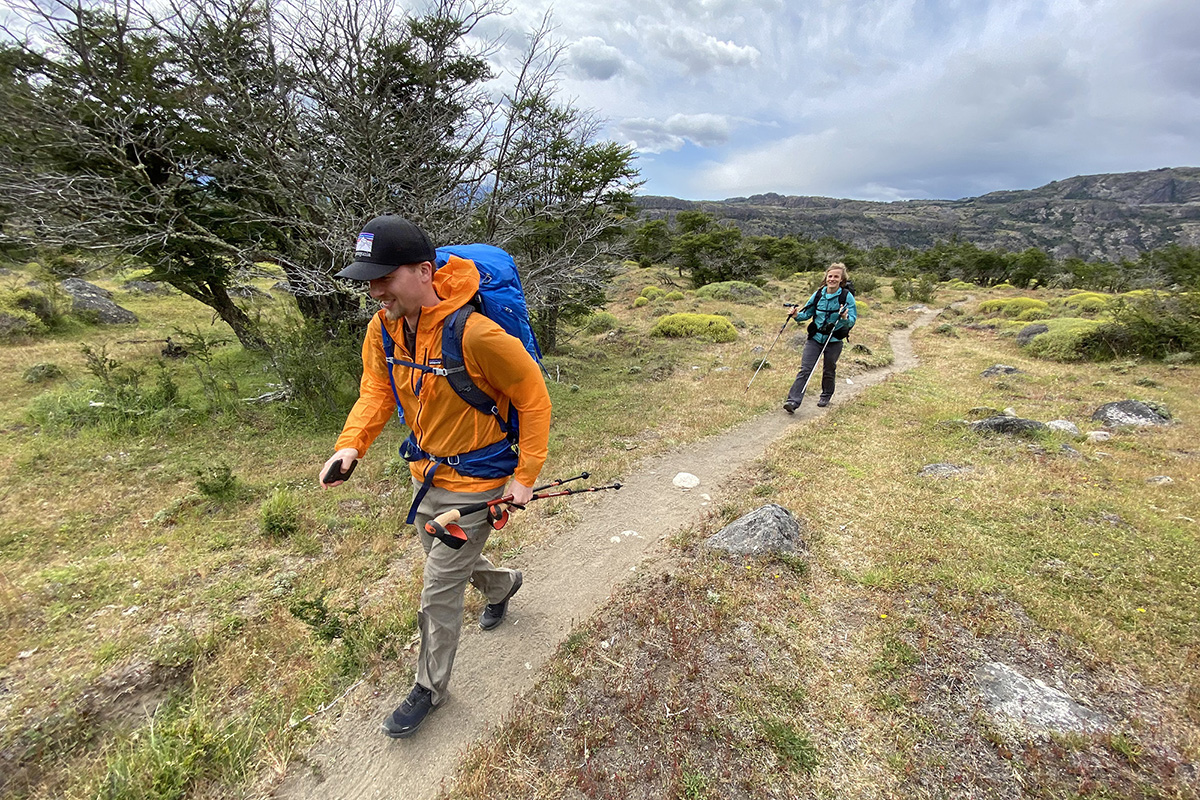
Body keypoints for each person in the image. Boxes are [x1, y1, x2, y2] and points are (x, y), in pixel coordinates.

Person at [319, 214, 551, 739]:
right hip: (425, 474)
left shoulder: (478, 334)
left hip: (479, 479)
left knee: (438, 586)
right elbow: (377, 391)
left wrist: (525, 475)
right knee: (448, 561)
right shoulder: (384, 328)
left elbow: (534, 399)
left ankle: (429, 687)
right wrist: (351, 446)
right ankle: (502, 585)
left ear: (424, 271)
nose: (374, 290)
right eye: (367, 279)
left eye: (384, 277)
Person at [783, 262, 857, 413]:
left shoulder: (846, 296)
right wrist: (796, 315)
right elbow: (807, 313)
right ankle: (793, 401)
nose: (832, 279)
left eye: (836, 277)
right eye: (830, 276)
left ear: (841, 279)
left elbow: (852, 320)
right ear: (826, 277)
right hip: (815, 338)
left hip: (834, 340)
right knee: (805, 369)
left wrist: (844, 318)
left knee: (829, 369)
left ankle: (826, 395)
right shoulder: (818, 294)